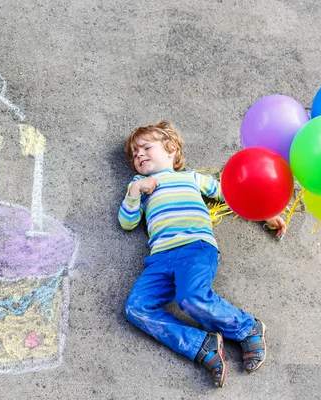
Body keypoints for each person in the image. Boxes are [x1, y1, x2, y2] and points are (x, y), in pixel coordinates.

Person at [118, 121, 286, 388]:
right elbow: (127, 223)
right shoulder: (139, 185)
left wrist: (265, 213)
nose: (139, 155)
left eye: (146, 148)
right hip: (159, 259)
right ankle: (202, 345)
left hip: (195, 248)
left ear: (171, 149)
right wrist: (134, 192)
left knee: (190, 297)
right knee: (136, 308)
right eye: (134, 155)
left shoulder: (191, 178)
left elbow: (232, 196)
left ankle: (246, 328)